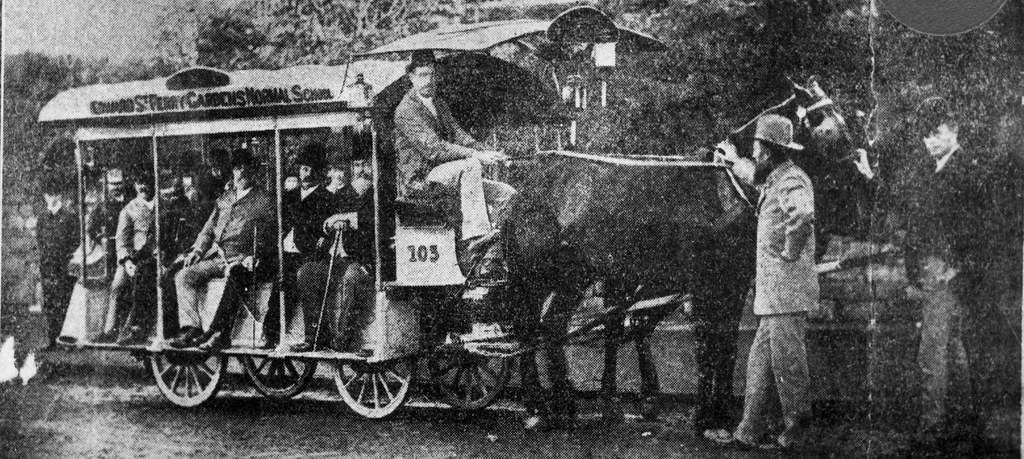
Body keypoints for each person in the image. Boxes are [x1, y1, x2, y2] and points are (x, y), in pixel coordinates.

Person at [714, 114, 817, 451]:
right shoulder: (775, 178)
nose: (754, 154)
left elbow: (802, 215)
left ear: (769, 151)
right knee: (760, 360)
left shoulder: (792, 182)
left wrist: (788, 251)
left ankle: (797, 431)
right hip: (773, 296)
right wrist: (733, 159)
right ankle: (749, 429)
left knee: (788, 364)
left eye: (757, 148)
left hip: (786, 295)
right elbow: (753, 176)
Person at [902, 98, 989, 452]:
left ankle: (932, 428)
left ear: (954, 132)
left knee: (932, 352)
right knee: (951, 348)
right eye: (926, 135)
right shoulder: (935, 170)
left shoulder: (968, 172)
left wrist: (954, 271)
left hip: (946, 275)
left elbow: (982, 230)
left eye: (936, 133)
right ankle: (967, 420)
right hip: (934, 270)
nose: (929, 141)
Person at [393, 50, 517, 269]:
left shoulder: (438, 104)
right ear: (411, 77)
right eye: (422, 75)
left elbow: (459, 135)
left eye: (432, 75)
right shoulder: (406, 110)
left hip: (448, 175)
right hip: (422, 182)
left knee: (507, 194)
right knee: (471, 165)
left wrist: (487, 151)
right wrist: (475, 155)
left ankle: (493, 255)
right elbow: (433, 149)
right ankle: (476, 236)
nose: (428, 80)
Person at [170, 148, 276, 351]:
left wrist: (255, 255)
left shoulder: (265, 200)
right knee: (184, 276)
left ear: (254, 171)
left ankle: (218, 333)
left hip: (242, 258)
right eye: (237, 167)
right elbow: (208, 230)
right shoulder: (224, 199)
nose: (241, 172)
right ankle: (192, 328)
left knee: (236, 275)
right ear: (233, 171)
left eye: (246, 167)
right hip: (218, 257)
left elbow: (272, 236)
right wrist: (198, 251)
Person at [290, 152, 374, 352]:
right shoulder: (344, 194)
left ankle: (345, 338)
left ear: (373, 166)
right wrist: (329, 225)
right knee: (307, 272)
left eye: (366, 164)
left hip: (366, 259)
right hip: (338, 258)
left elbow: (374, 219)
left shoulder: (380, 192)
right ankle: (316, 335)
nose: (361, 169)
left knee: (352, 277)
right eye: (357, 164)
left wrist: (346, 218)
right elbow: (327, 222)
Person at [266, 143, 334, 346]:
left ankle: (310, 336)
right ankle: (271, 334)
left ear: (320, 173)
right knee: (278, 278)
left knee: (293, 277)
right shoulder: (288, 197)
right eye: (304, 168)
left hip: (309, 254)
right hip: (285, 252)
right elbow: (277, 227)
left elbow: (327, 233)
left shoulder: (327, 198)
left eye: (313, 169)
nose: (308, 174)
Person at [89, 168, 130, 343]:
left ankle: (120, 327)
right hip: (110, 251)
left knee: (122, 288)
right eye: (113, 184)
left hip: (126, 249)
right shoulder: (102, 206)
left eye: (119, 184)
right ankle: (109, 328)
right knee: (110, 288)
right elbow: (91, 228)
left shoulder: (129, 203)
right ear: (106, 186)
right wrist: (101, 238)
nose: (116, 188)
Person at [37, 176, 79, 349]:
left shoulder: (70, 217)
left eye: (54, 194)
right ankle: (52, 339)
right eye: (48, 194)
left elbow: (75, 241)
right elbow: (40, 241)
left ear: (59, 195)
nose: (51, 197)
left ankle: (65, 340)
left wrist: (66, 259)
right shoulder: (42, 218)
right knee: (50, 302)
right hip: (47, 266)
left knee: (64, 302)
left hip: (63, 267)